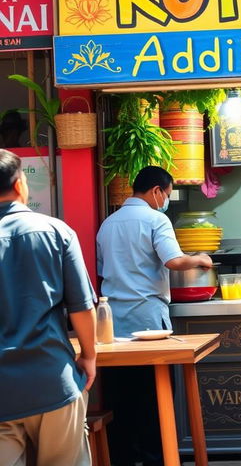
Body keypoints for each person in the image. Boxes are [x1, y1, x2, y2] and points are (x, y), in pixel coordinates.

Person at [97, 165, 214, 466]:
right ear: (156, 191)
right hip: (148, 322)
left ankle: (121, 459)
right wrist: (200, 259)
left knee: (120, 400)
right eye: (167, 195)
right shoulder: (156, 219)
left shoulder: (107, 224)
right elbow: (173, 260)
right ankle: (156, 460)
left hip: (112, 325)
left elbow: (102, 272)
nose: (166, 201)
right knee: (154, 399)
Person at [0, 149, 96, 466]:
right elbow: (81, 306)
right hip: (51, 379)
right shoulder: (55, 231)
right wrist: (89, 356)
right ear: (19, 185)